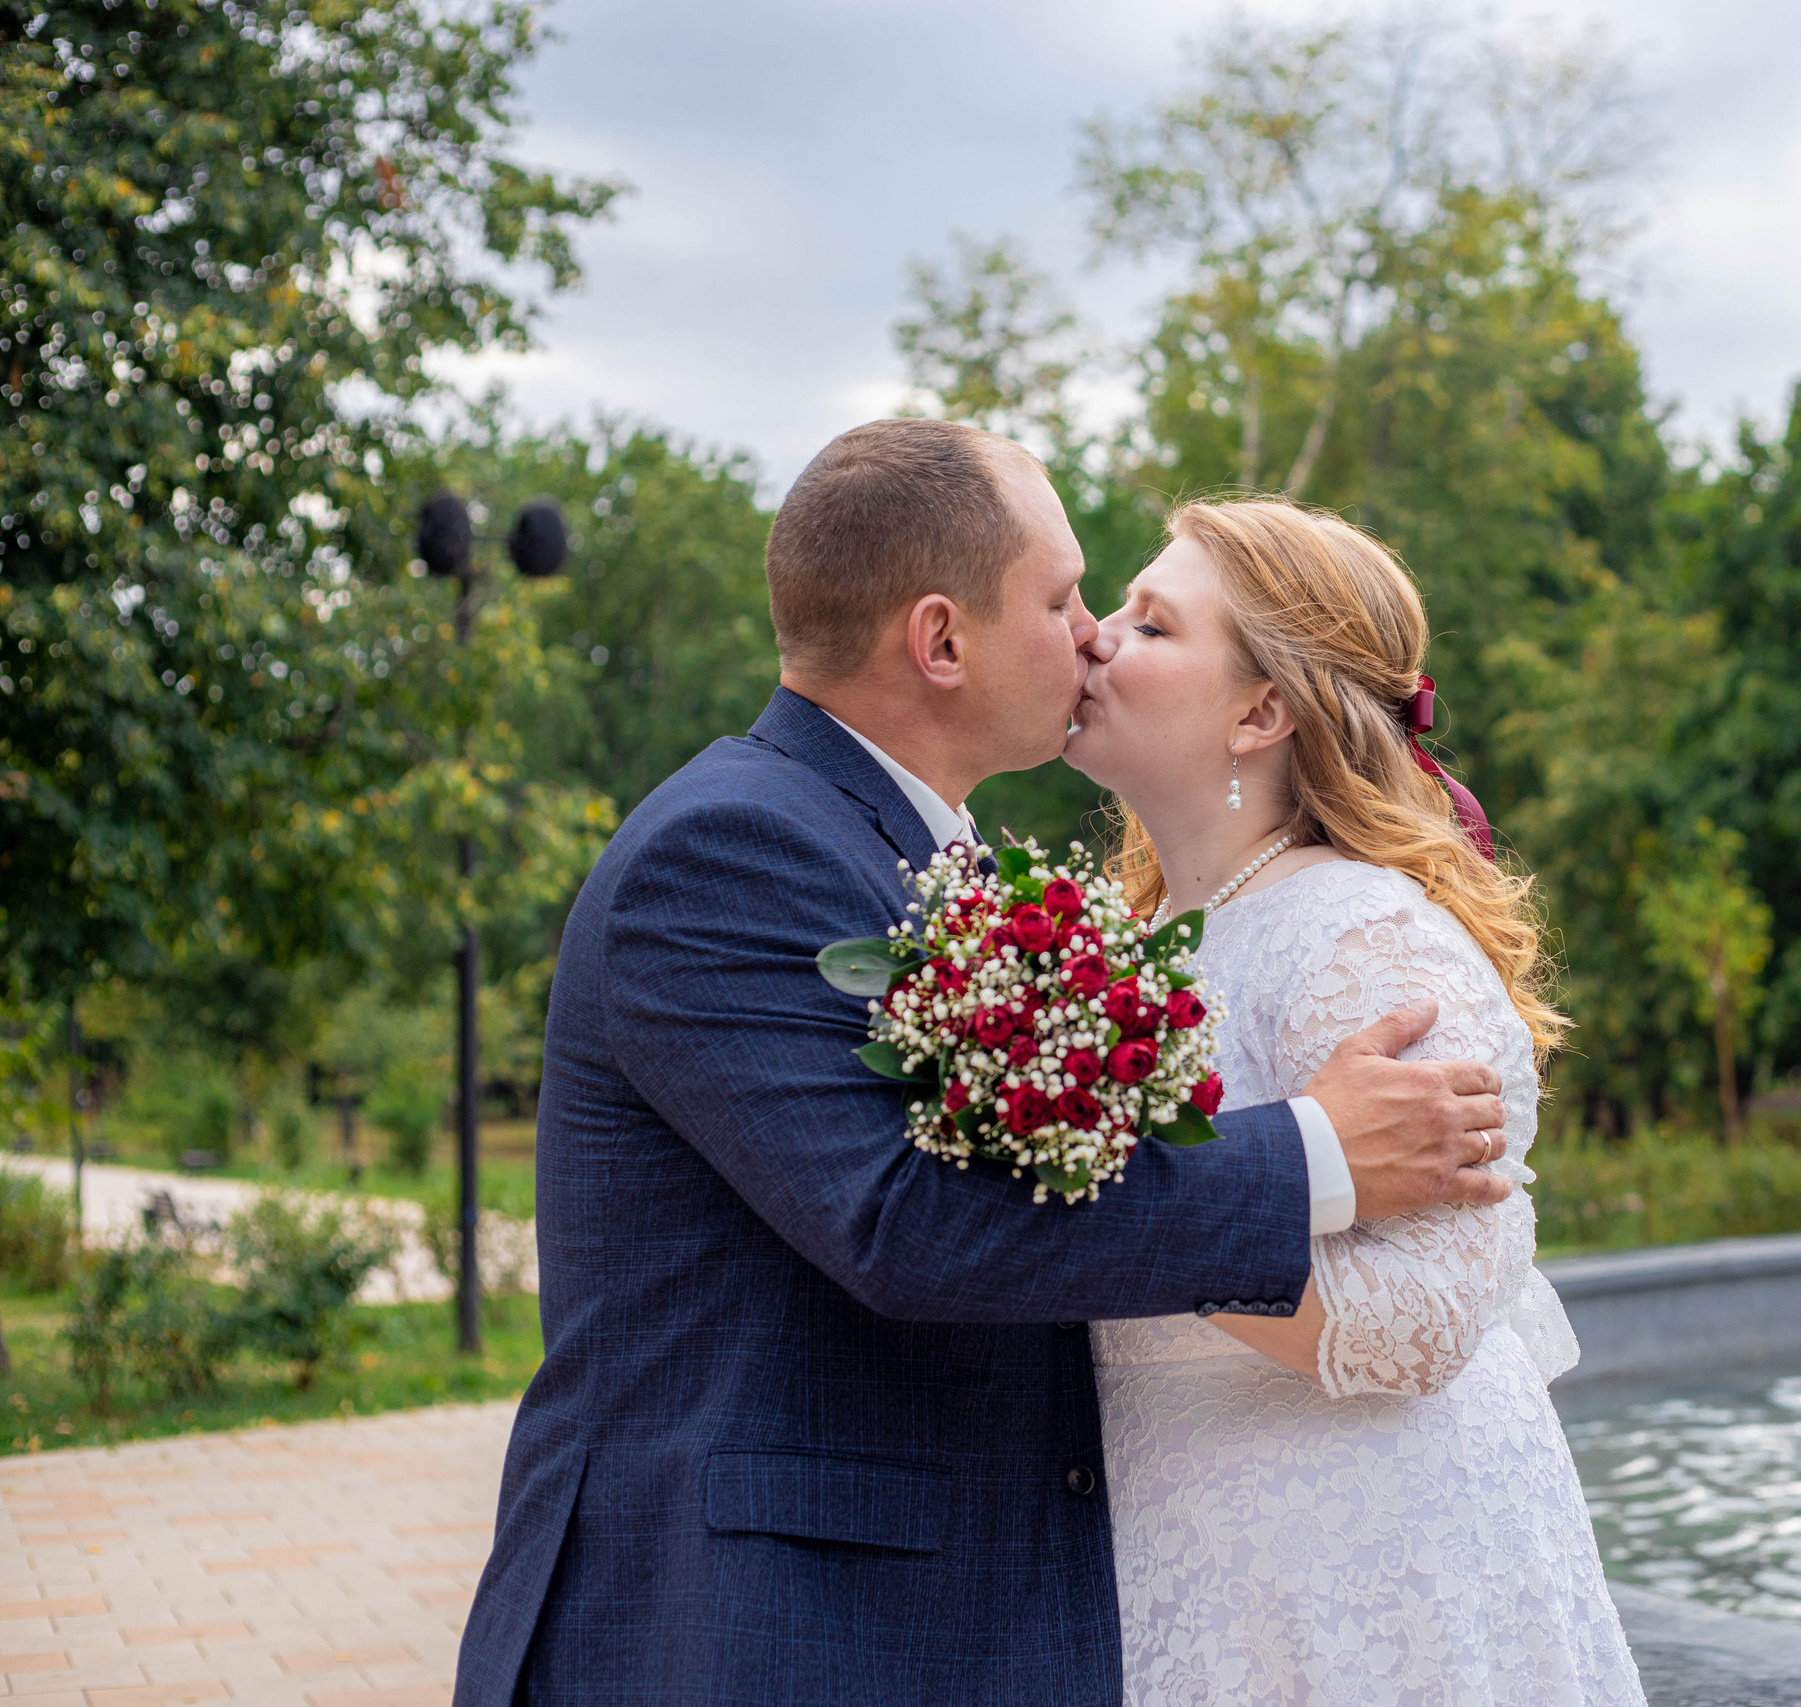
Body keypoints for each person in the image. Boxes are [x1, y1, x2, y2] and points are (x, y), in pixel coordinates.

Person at [453, 420, 1515, 1706]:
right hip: (758, 1626)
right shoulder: (734, 850)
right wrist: (1318, 1157)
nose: (1090, 636)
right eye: (1065, 598)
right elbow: (910, 1220)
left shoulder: (915, 856)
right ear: (942, 640)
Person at [1064, 497, 1643, 1705]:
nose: (1097, 637)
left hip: (1364, 1568)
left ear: (1261, 712)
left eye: (1152, 624)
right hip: (1194, 1550)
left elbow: (1425, 1319)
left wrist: (1083, 1213)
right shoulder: (1139, 939)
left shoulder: (1360, 937)